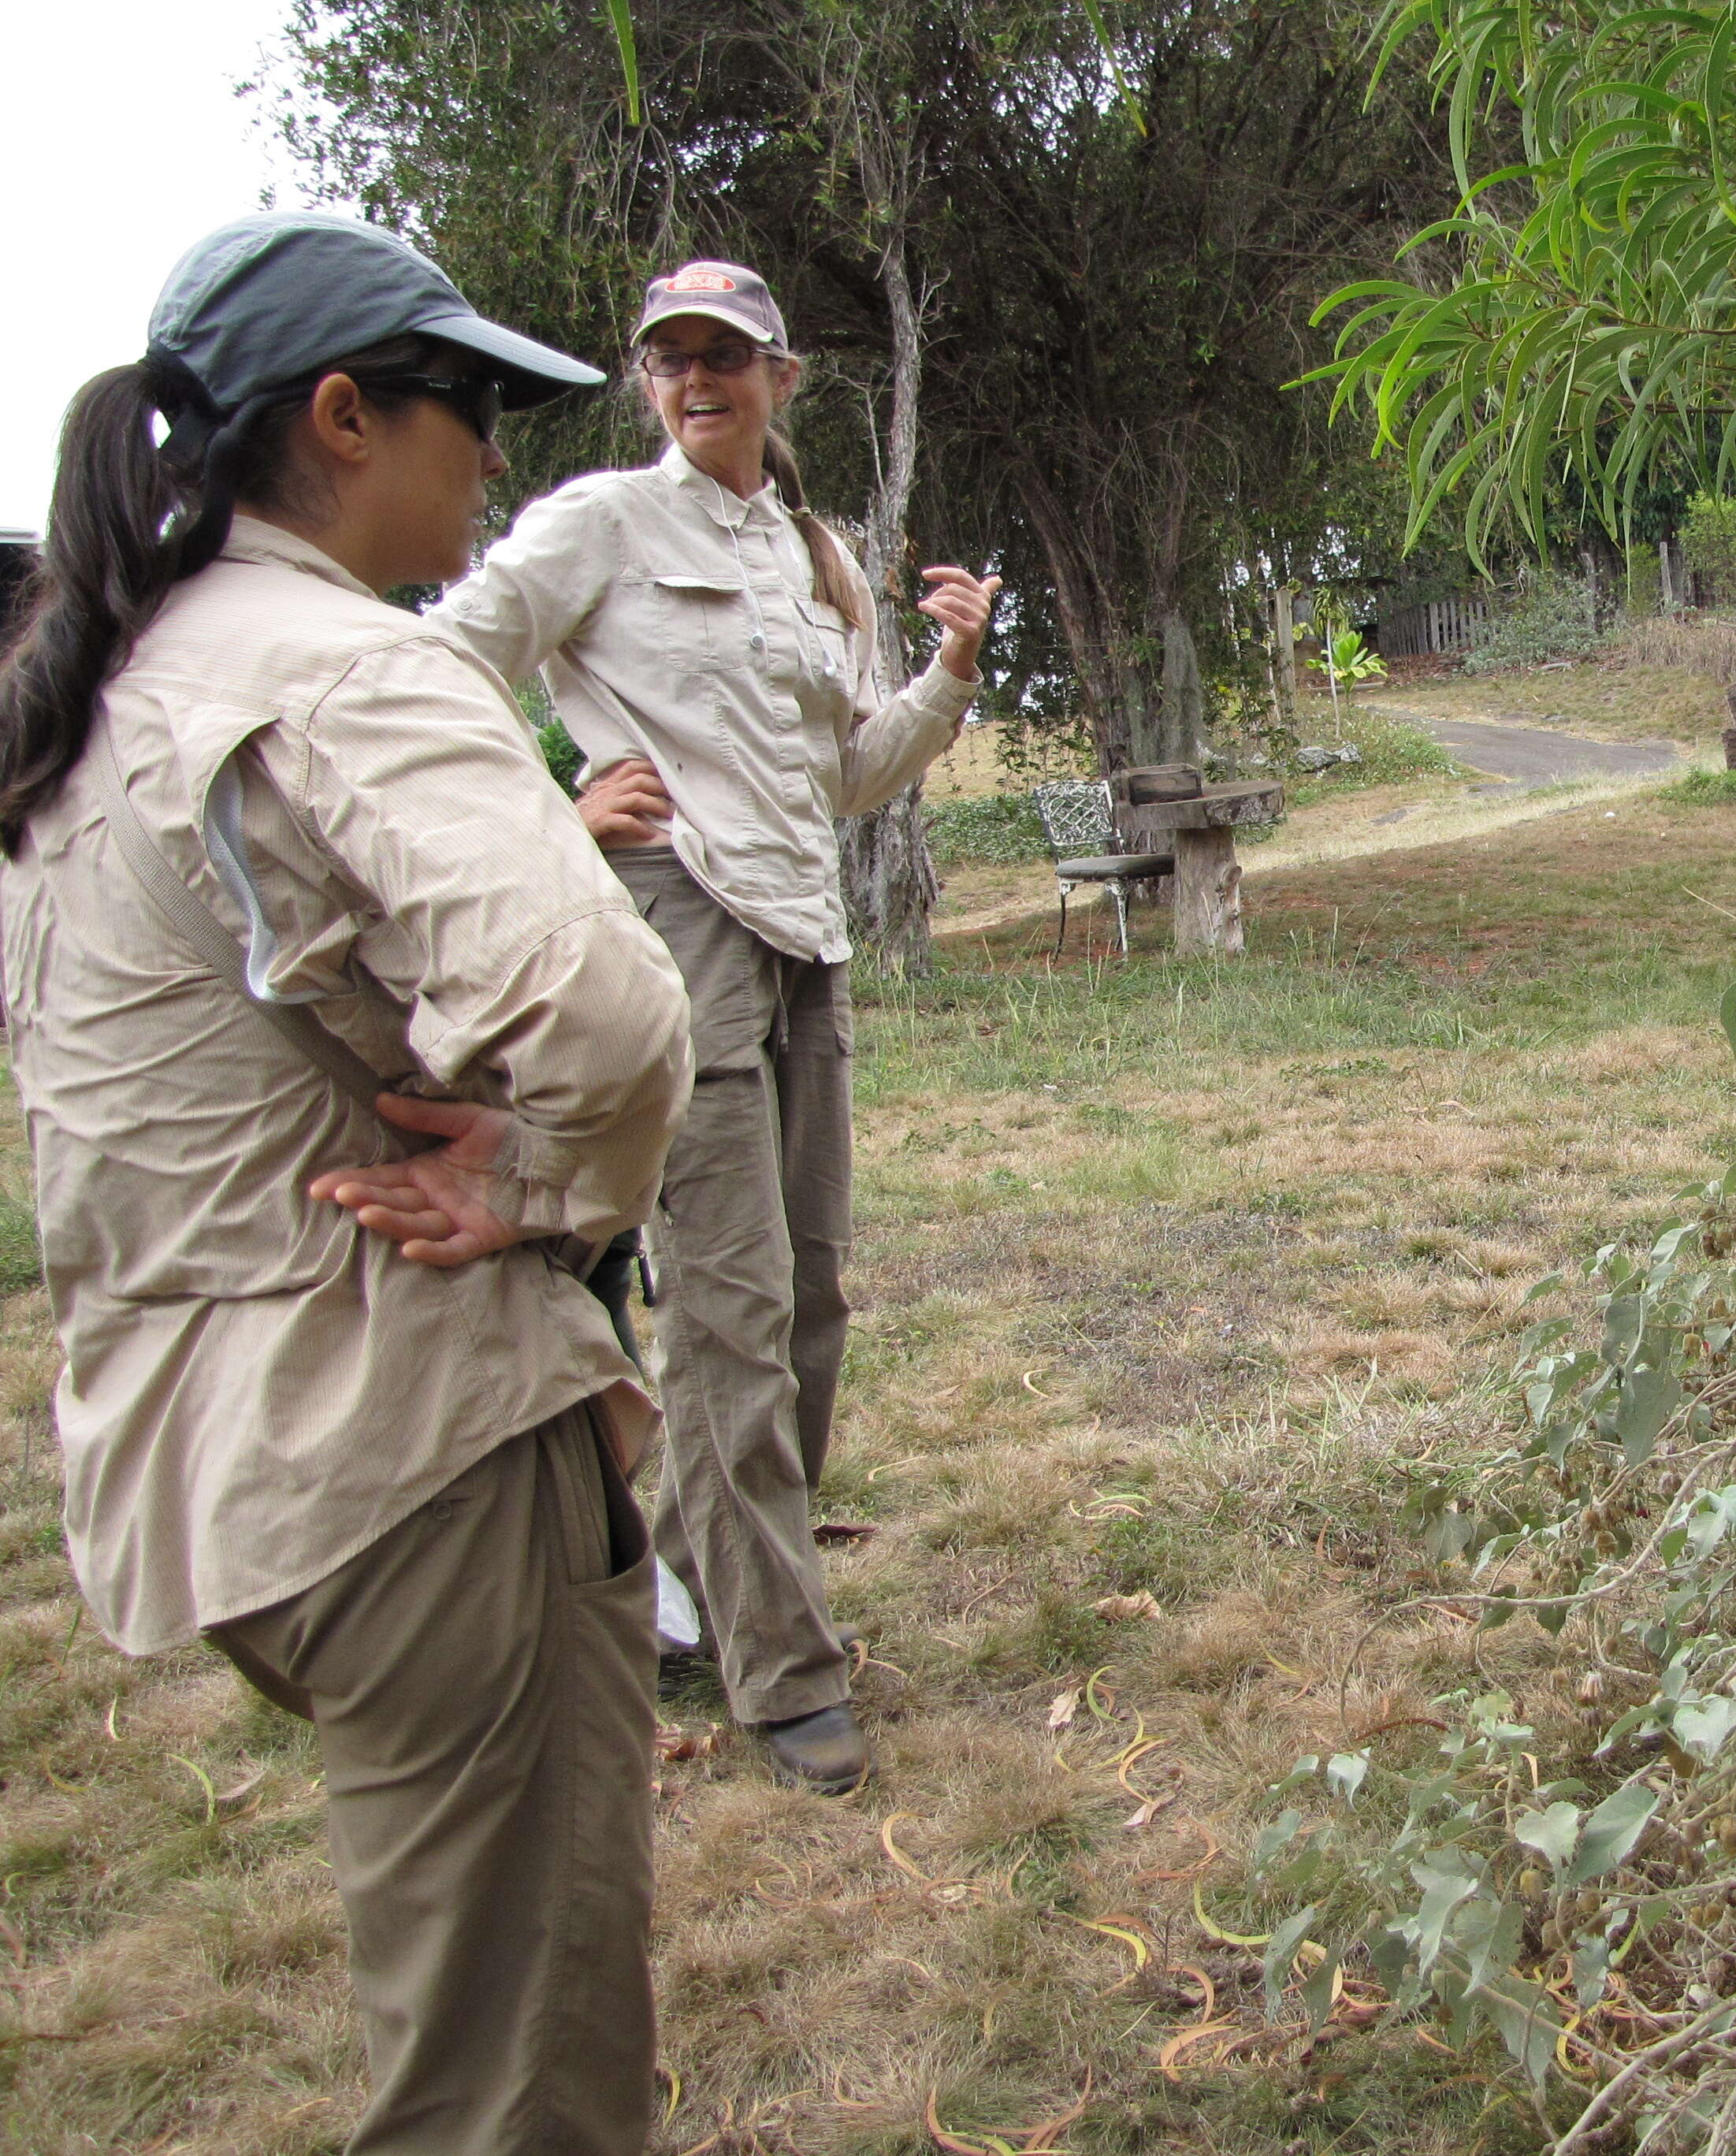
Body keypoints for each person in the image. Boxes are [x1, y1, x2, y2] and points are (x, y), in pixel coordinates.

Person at [0, 212, 694, 2154]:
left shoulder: (97, 687)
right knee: (511, 2076)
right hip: (415, 1454)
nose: (494, 451)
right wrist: (551, 1188)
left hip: (210, 1473)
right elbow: (609, 1017)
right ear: (338, 416)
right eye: (466, 404)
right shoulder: (339, 671)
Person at [434, 262, 996, 1795]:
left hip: (805, 935)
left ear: (781, 376)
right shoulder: (598, 525)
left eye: (726, 357)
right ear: (647, 381)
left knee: (809, 1300)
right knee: (734, 1313)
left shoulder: (817, 557)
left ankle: (687, 1568)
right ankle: (786, 1672)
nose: (699, 381)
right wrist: (556, 810)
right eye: (671, 358)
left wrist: (949, 674)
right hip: (675, 928)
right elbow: (434, 674)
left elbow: (851, 774)